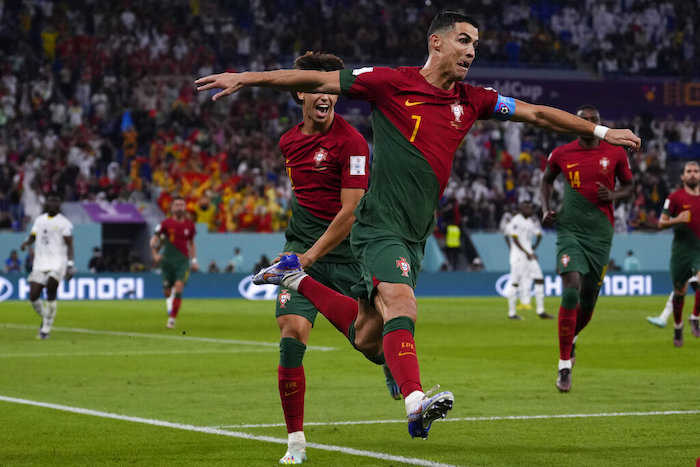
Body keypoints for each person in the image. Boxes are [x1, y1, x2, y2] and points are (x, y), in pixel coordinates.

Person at [197, 10, 640, 439]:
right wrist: (246, 78)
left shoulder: (473, 101)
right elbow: (316, 79)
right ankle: (415, 402)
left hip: (415, 235)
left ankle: (297, 278)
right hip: (378, 225)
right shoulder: (392, 84)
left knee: (369, 338)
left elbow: (537, 114)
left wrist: (600, 133)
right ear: (437, 42)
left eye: (476, 45)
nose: (471, 51)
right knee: (403, 305)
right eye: (464, 40)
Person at [540, 104, 635, 392]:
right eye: (585, 121)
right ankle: (564, 364)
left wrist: (615, 193)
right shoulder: (561, 154)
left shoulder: (615, 152)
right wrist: (546, 209)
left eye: (595, 120)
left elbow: (630, 187)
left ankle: (572, 340)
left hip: (601, 234)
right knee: (571, 287)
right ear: (575, 124)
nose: (591, 124)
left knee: (589, 299)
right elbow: (546, 181)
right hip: (569, 230)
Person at [656, 161, 700, 346]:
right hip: (681, 251)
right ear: (682, 176)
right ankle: (677, 325)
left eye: (696, 171)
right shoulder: (674, 198)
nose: (692, 174)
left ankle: (695, 317)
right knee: (679, 292)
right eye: (688, 171)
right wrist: (678, 219)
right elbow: (661, 223)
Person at [19, 193, 75, 339]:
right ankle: (46, 316)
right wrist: (27, 242)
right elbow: (33, 235)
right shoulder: (39, 220)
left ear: (59, 206)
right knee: (33, 296)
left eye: (55, 203)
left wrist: (70, 264)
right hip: (40, 263)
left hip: (57, 262)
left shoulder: (64, 223)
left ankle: (46, 329)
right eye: (50, 202)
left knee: (51, 288)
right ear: (47, 204)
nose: (52, 205)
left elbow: (70, 244)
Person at [150, 196, 199, 329]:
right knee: (167, 292)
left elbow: (192, 244)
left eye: (181, 205)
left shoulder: (190, 225)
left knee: (178, 286)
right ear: (171, 208)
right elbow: (153, 241)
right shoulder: (165, 224)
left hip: (182, 262)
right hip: (166, 263)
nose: (179, 207)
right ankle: (170, 304)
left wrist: (194, 261)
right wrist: (155, 254)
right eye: (176, 205)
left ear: (185, 207)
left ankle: (172, 320)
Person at [505, 200, 553, 320]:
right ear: (521, 209)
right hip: (518, 256)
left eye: (530, 208)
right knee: (515, 282)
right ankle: (512, 313)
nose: (529, 210)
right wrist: (528, 252)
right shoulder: (516, 220)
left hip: (529, 255)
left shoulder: (530, 222)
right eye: (526, 208)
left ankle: (541, 311)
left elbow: (539, 235)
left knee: (539, 279)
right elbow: (515, 240)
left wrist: (532, 249)